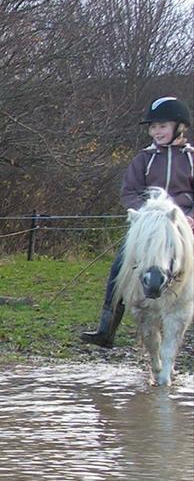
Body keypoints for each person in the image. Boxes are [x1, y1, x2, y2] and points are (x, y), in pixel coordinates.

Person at [80, 96, 194, 347]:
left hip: (185, 226)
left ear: (179, 127)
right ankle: (106, 328)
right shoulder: (143, 159)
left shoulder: (191, 159)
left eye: (162, 126)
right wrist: (148, 216)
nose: (156, 131)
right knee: (119, 267)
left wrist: (191, 216)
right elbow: (129, 192)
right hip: (148, 228)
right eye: (153, 127)